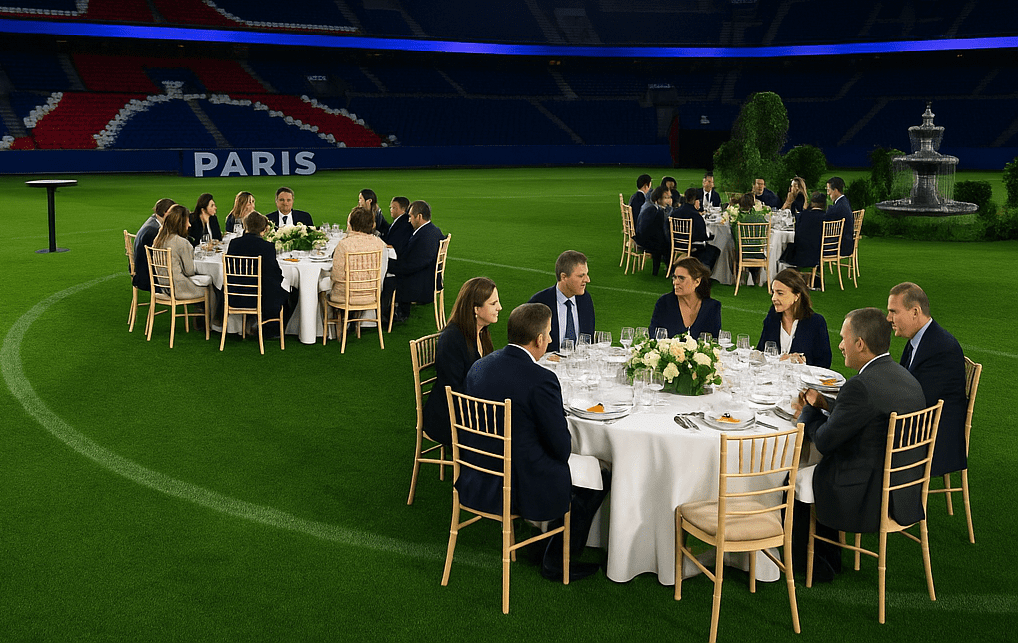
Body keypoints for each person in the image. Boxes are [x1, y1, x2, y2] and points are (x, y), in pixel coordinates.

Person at [458, 303, 608, 581]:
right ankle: (556, 559)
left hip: (477, 472)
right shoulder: (542, 379)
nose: (550, 339)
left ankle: (543, 544)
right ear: (539, 339)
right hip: (520, 480)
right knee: (599, 473)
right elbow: (561, 449)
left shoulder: (480, 366)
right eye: (548, 334)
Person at [793, 308, 927, 581]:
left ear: (860, 344)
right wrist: (825, 403)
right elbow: (866, 413)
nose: (840, 346)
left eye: (844, 339)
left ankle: (811, 563)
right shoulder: (905, 377)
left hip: (865, 493)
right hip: (905, 487)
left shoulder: (860, 386)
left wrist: (807, 410)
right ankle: (825, 556)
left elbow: (824, 440)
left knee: (791, 477)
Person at [887, 282, 968, 477]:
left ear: (915, 312)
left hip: (934, 440)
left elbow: (916, 400)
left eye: (893, 312)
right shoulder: (920, 339)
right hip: (922, 425)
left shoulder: (940, 348)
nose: (889, 318)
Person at [422, 277, 501, 446]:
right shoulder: (452, 339)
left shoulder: (481, 332)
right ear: (476, 309)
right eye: (493, 303)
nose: (499, 308)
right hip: (450, 418)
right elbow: (453, 389)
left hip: (472, 408)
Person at [224, 212, 290, 338]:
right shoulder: (267, 247)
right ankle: (271, 330)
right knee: (288, 293)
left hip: (235, 295)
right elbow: (275, 273)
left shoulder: (234, 243)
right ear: (264, 229)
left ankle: (251, 324)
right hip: (260, 299)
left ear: (245, 226)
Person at [383, 200, 444, 323]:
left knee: (387, 280)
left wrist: (388, 266)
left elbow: (413, 265)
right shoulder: (433, 231)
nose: (409, 220)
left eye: (410, 216)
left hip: (420, 284)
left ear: (419, 216)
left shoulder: (424, 236)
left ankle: (390, 314)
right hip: (428, 278)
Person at [756, 268, 831, 367]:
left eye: (780, 293)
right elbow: (760, 353)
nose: (773, 298)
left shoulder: (816, 322)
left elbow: (824, 363)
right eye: (773, 292)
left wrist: (803, 361)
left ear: (796, 296)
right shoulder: (772, 318)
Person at [527, 250, 594, 353]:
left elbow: (589, 339)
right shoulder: (538, 303)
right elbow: (528, 346)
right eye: (581, 276)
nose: (587, 280)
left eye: (587, 274)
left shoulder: (585, 299)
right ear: (564, 277)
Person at [649, 256, 721, 340]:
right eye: (674, 277)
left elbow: (714, 341)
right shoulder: (664, 303)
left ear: (697, 282)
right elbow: (653, 335)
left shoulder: (712, 307)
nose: (675, 282)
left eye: (681, 278)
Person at [329, 206, 387, 306]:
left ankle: (329, 316)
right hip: (371, 295)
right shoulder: (379, 244)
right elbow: (382, 274)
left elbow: (336, 276)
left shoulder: (344, 245)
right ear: (372, 225)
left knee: (321, 288)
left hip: (345, 296)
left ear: (351, 224)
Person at [151, 204, 207, 300]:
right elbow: (189, 271)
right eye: (187, 221)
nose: (189, 225)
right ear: (180, 223)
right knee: (212, 287)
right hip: (179, 289)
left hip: (164, 288)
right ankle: (211, 311)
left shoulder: (158, 240)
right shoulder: (181, 243)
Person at [670, 187, 720, 270]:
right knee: (714, 250)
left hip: (677, 242)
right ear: (695, 201)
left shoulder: (675, 213)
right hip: (692, 244)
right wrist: (711, 237)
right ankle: (703, 271)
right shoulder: (695, 215)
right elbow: (701, 235)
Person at [133, 197, 175, 292]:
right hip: (149, 278)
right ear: (166, 213)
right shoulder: (155, 230)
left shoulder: (152, 222)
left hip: (141, 272)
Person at [778, 191, 826, 271]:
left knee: (787, 247)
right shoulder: (826, 217)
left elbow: (797, 233)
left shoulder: (802, 215)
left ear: (812, 203)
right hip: (819, 254)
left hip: (801, 255)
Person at [633, 185, 672, 276]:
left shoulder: (651, 208)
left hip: (641, 238)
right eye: (666, 198)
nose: (668, 200)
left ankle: (664, 269)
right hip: (648, 242)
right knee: (668, 246)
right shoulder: (657, 212)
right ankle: (670, 269)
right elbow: (660, 231)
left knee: (665, 244)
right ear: (658, 199)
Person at [824, 176, 854, 257]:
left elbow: (825, 220)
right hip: (846, 244)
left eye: (828, 190)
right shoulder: (844, 202)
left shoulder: (839, 207)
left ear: (836, 190)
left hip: (839, 247)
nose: (828, 193)